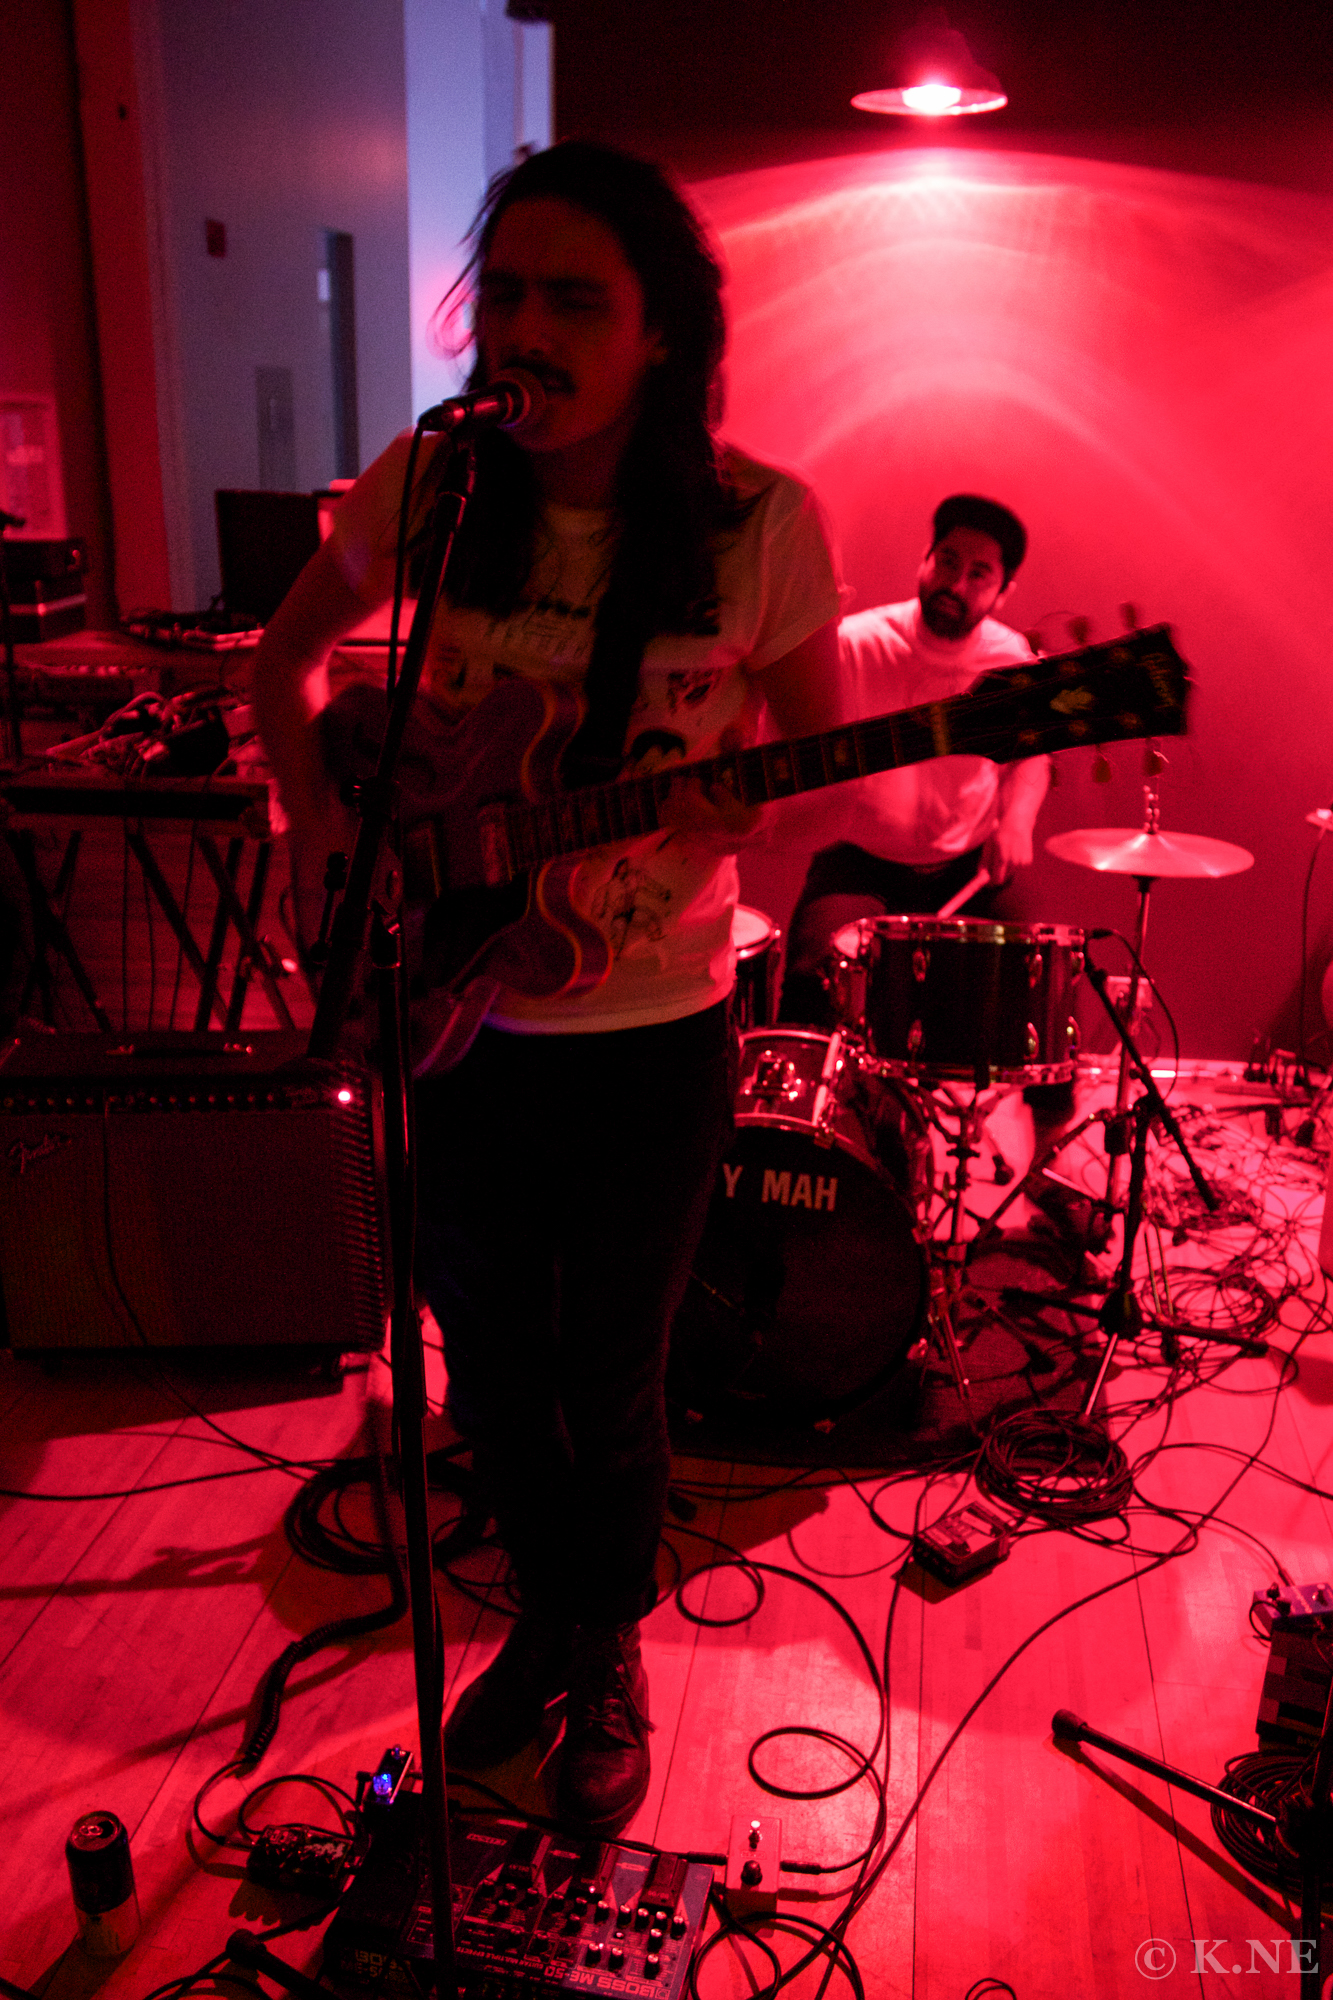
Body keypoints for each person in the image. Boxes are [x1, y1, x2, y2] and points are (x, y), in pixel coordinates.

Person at [252, 140, 842, 1837]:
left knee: (612, 1374)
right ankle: (550, 1628)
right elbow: (288, 662)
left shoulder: (755, 525)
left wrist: (742, 798)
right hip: (451, 1016)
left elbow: (805, 754)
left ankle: (603, 1650)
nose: (525, 328)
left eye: (573, 299)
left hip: (650, 1030)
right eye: (504, 293)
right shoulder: (432, 488)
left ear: (662, 332)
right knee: (493, 1370)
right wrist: (320, 833)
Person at [780, 494, 1048, 1024]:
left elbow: (1030, 756)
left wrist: (1017, 821)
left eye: (979, 574)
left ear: (1003, 592)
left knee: (1033, 976)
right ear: (924, 561)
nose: (957, 585)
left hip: (968, 866)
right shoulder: (855, 643)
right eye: (947, 562)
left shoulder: (1011, 660)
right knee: (814, 979)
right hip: (859, 863)